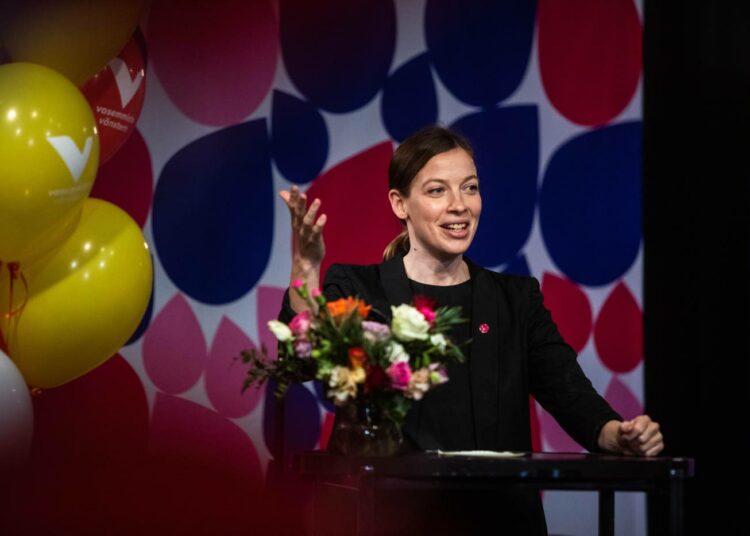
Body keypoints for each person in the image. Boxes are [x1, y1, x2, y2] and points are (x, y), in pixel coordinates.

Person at [277, 125, 664, 535]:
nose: (459, 206)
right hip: (390, 520)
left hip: (498, 520)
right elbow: (300, 361)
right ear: (400, 204)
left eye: (470, 188)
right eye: (437, 191)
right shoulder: (359, 289)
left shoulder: (515, 300)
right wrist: (306, 268)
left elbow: (569, 392)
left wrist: (616, 434)